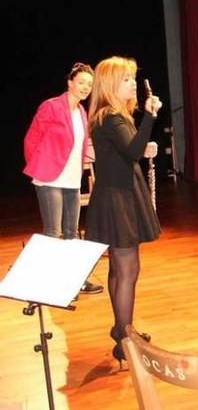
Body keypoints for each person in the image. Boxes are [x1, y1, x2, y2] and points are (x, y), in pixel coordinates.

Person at [85, 56, 162, 365]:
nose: (133, 83)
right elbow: (132, 150)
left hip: (116, 194)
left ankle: (122, 329)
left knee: (120, 268)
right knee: (127, 269)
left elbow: (129, 150)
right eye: (127, 79)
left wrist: (145, 145)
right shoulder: (112, 117)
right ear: (111, 84)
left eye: (133, 78)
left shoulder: (110, 116)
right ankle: (125, 339)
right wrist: (150, 116)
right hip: (118, 199)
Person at [24, 61, 102, 294]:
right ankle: (51, 284)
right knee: (53, 233)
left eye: (89, 84)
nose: (85, 87)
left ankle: (75, 280)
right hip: (50, 179)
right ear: (70, 83)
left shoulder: (81, 111)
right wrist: (39, 166)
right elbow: (31, 139)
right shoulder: (51, 106)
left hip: (72, 180)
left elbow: (82, 144)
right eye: (81, 82)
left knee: (72, 232)